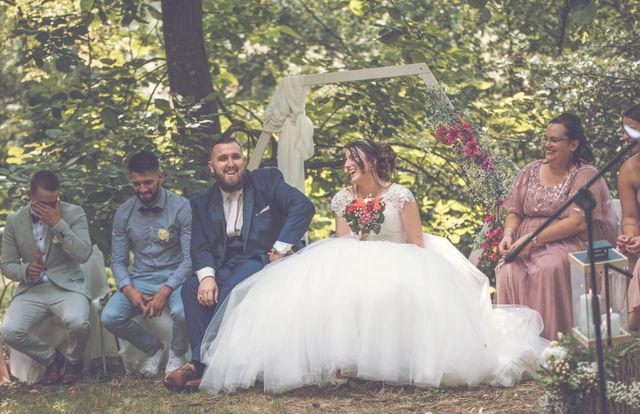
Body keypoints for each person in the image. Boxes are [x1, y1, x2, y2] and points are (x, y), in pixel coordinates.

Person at [197, 139, 548, 395]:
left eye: (352, 160)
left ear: (369, 162)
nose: (347, 165)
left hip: (402, 254)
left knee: (389, 290)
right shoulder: (343, 198)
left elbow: (416, 242)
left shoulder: (400, 195)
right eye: (346, 160)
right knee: (328, 290)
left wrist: (386, 259)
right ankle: (341, 363)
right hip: (355, 256)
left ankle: (393, 363)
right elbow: (343, 242)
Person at [163, 137, 315, 392]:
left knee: (233, 289)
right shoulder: (200, 203)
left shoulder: (267, 181)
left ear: (244, 161)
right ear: (212, 166)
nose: (231, 163)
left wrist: (280, 248)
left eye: (236, 157)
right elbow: (199, 245)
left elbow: (303, 206)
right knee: (191, 289)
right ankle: (202, 364)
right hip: (226, 263)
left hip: (261, 257)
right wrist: (207, 278)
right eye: (223, 158)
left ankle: (204, 365)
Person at [495, 113, 617, 340]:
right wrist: (509, 235)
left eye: (554, 140)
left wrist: (532, 238)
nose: (547, 145)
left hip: (567, 240)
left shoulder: (584, 174)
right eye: (546, 139)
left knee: (547, 268)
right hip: (524, 239)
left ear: (573, 144)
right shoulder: (529, 170)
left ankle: (553, 343)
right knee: (507, 269)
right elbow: (515, 211)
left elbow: (578, 221)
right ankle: (514, 342)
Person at [101, 151, 192, 376]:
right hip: (140, 279)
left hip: (176, 278)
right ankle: (154, 348)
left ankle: (177, 353)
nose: (142, 189)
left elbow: (190, 259)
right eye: (136, 184)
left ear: (160, 176)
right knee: (110, 317)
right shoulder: (124, 212)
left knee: (182, 312)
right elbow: (119, 260)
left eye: (148, 182)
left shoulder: (181, 207)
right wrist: (129, 289)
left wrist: (165, 290)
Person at [0, 170, 93, 385]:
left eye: (54, 202)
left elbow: (84, 254)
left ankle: (74, 361)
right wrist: (24, 271)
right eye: (44, 203)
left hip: (68, 287)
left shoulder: (74, 213)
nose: (50, 208)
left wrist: (59, 224)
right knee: (10, 331)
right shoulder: (14, 221)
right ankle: (53, 359)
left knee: (79, 323)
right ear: (29, 195)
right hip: (31, 289)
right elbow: (6, 265)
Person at [615, 105, 640, 332]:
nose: (625, 137)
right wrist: (630, 237)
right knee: (618, 256)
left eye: (631, 130)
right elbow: (630, 217)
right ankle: (614, 334)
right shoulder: (629, 169)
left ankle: (632, 332)